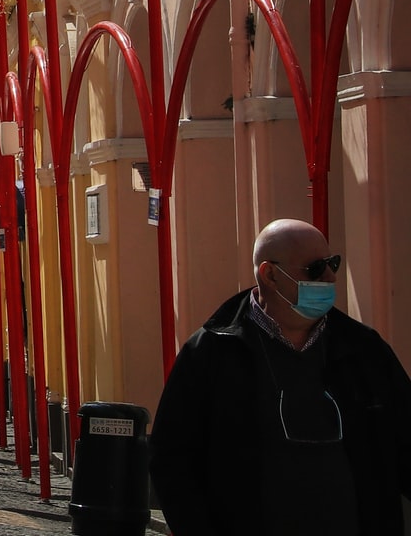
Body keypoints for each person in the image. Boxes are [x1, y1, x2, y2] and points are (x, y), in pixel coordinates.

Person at [151, 218, 411, 536]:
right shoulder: (211, 352)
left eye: (333, 264)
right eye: (315, 269)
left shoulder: (363, 349)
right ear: (270, 274)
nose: (329, 277)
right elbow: (172, 459)